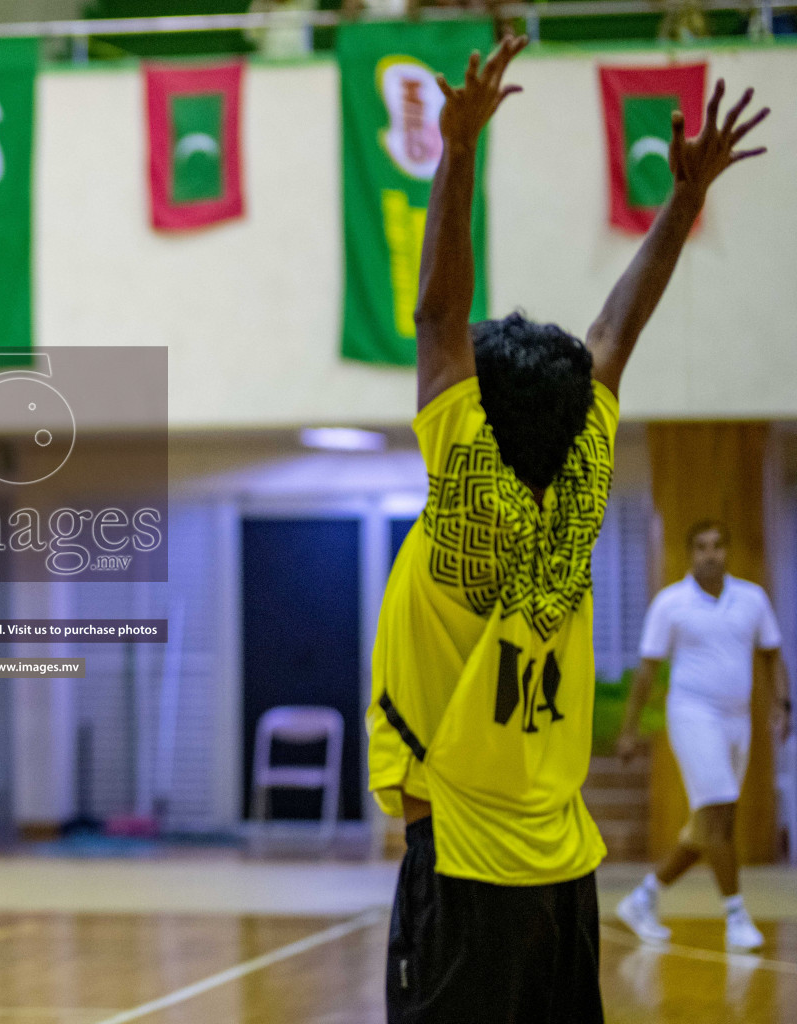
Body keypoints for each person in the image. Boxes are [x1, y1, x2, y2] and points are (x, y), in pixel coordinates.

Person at [364, 29, 768, 1024]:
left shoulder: (466, 499)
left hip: (464, 866)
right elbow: (616, 334)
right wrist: (682, 202)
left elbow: (434, 318)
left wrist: (456, 152)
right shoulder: (577, 489)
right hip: (562, 871)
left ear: (477, 419)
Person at [614, 520, 791, 951]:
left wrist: (783, 705)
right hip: (692, 716)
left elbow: (772, 656)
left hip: (738, 722)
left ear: (727, 551)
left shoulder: (752, 599)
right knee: (719, 815)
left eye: (716, 546)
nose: (709, 554)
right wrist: (630, 730)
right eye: (701, 547)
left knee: (706, 827)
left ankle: (643, 898)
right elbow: (648, 671)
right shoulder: (670, 604)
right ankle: (736, 917)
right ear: (690, 553)